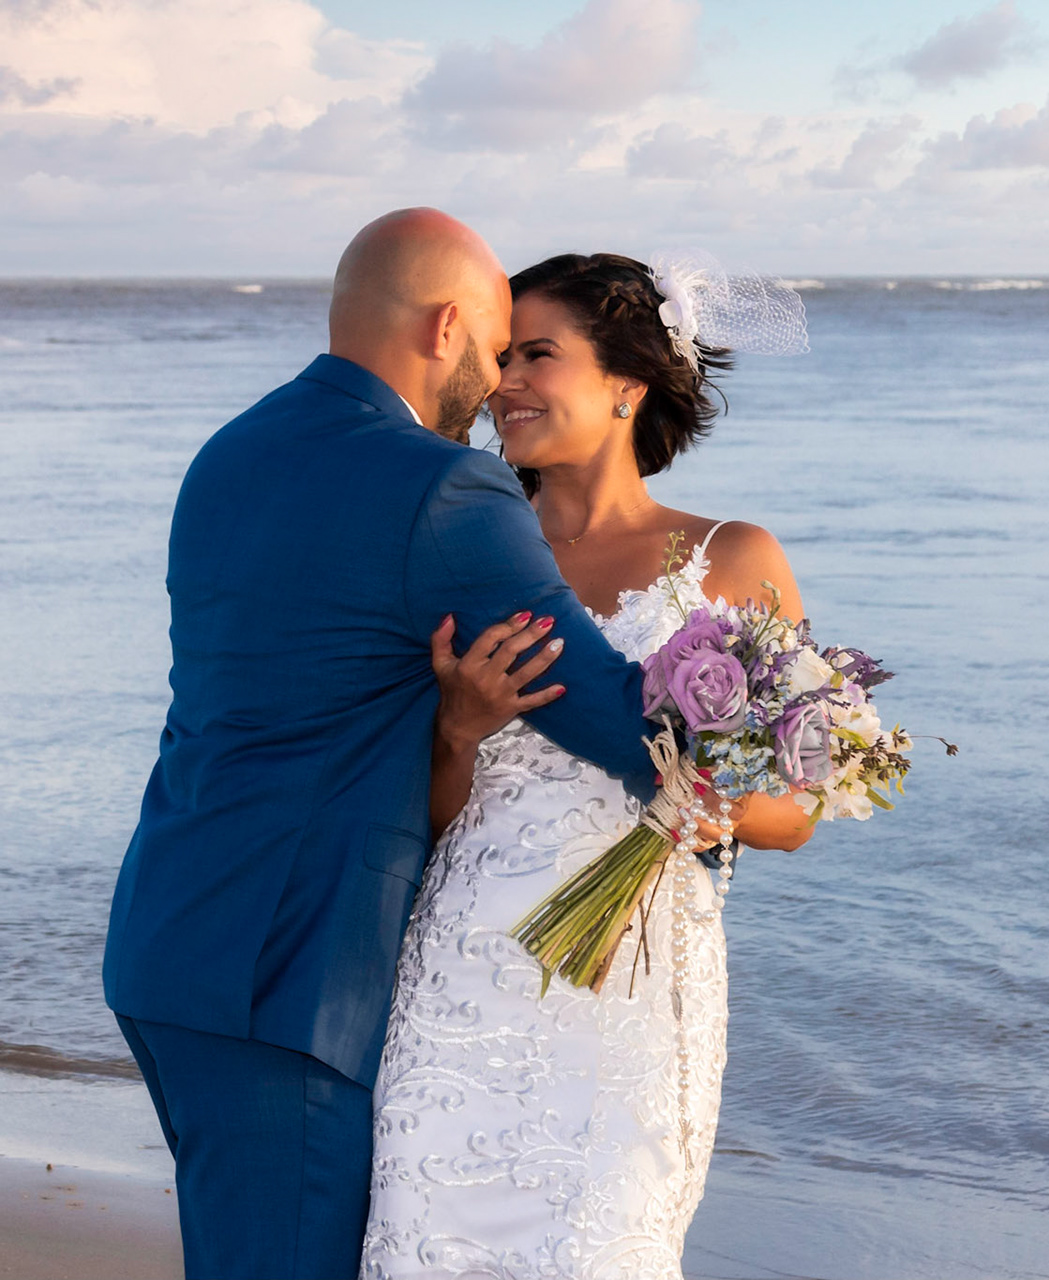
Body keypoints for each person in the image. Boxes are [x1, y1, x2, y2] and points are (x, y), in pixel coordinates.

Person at [101, 211, 684, 1280]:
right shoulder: (438, 484)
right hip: (285, 979)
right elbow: (610, 714)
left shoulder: (229, 453)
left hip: (170, 945)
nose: (498, 377)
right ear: (446, 325)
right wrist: (777, 726)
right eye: (498, 345)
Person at [359, 253, 813, 1280]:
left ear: (626, 383)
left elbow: (797, 813)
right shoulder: (462, 551)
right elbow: (418, 818)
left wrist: (720, 804)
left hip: (635, 996)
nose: (505, 377)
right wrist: (459, 728)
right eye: (497, 354)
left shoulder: (732, 557)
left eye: (537, 353)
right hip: (460, 977)